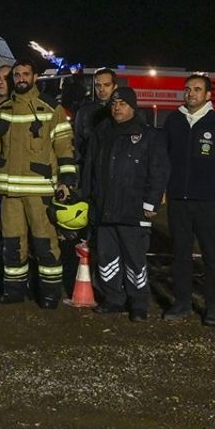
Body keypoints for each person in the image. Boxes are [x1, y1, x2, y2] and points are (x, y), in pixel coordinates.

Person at [0, 58, 76, 308]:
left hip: (40, 191)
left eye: (25, 74)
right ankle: (14, 291)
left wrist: (67, 179)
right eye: (16, 75)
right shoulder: (2, 110)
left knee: (45, 243)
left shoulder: (50, 108)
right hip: (10, 194)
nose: (20, 79)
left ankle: (50, 295)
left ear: (35, 77)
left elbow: (63, 145)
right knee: (12, 243)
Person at [81, 87, 168, 321]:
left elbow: (158, 171)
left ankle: (138, 303)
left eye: (122, 103)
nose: (117, 107)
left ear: (133, 106)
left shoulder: (148, 136)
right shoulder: (101, 133)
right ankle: (113, 299)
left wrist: (151, 203)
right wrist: (87, 198)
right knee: (107, 257)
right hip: (104, 208)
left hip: (133, 210)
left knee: (135, 259)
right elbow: (90, 168)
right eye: (114, 103)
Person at [161, 74, 215, 326]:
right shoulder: (173, 121)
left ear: (208, 95)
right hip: (178, 201)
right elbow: (164, 159)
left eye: (197, 89)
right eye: (188, 89)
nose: (191, 93)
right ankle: (182, 302)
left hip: (208, 202)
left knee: (211, 256)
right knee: (181, 254)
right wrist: (162, 189)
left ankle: (212, 306)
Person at [74, 68, 117, 162]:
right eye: (98, 85)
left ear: (115, 86)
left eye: (107, 85)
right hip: (90, 167)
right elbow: (77, 142)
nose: (101, 89)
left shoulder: (121, 111)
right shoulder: (83, 112)